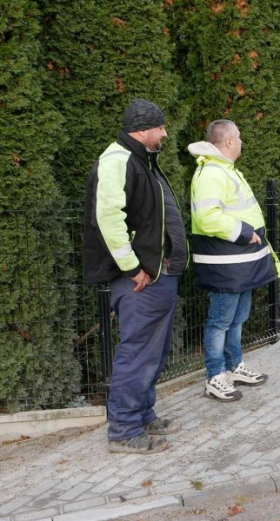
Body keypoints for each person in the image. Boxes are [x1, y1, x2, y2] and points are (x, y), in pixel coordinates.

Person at [83, 99, 188, 453]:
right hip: (141, 280)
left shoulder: (142, 160)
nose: (165, 133)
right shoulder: (118, 160)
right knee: (138, 353)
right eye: (160, 127)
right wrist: (132, 268)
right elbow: (108, 219)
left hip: (158, 274)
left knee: (153, 353)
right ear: (143, 129)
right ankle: (125, 431)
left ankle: (142, 415)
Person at [189, 120, 280, 402]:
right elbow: (207, 218)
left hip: (240, 263)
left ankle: (234, 366)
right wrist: (245, 233)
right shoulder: (211, 174)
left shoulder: (227, 171)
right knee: (220, 321)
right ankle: (214, 376)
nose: (242, 142)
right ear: (228, 142)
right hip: (225, 265)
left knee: (238, 317)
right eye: (238, 138)